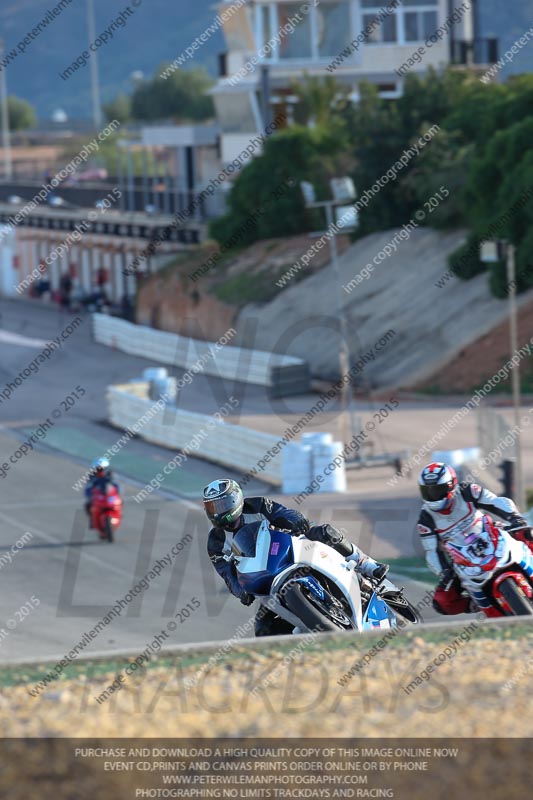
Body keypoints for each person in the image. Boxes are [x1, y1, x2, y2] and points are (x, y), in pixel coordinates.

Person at [204, 478, 389, 636]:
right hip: (264, 578)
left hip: (288, 549)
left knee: (324, 532)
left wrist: (296, 521)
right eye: (212, 507)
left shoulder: (257, 505)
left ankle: (366, 564)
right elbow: (226, 574)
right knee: (262, 627)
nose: (217, 512)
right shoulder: (215, 543)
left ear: (236, 499)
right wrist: (240, 592)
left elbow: (282, 512)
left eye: (221, 505)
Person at [417, 462, 533, 617]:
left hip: (490, 533)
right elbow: (431, 551)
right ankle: (475, 604)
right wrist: (445, 572)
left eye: (437, 490)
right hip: (462, 558)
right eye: (428, 491)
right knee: (442, 601)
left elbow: (495, 502)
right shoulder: (426, 519)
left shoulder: (467, 491)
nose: (432, 495)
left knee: (527, 533)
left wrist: (514, 518)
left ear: (451, 485)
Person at [84, 458, 120, 527]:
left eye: (102, 469)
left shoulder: (111, 475)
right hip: (98, 496)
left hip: (109, 495)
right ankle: (92, 520)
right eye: (98, 469)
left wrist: (117, 494)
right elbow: (88, 488)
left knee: (119, 502)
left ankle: (119, 514)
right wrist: (90, 496)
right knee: (88, 505)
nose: (100, 471)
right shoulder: (91, 476)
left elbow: (116, 485)